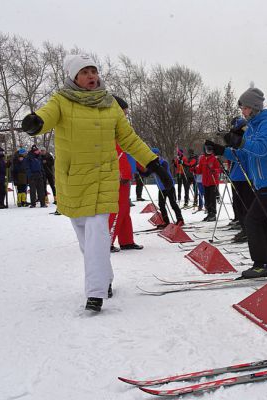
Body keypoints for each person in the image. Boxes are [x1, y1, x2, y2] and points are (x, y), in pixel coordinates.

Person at [20, 54, 172, 312]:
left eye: (94, 71)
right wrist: (37, 122)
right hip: (74, 178)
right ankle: (105, 277)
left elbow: (129, 138)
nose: (92, 76)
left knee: (97, 231)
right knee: (86, 237)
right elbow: (47, 116)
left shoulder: (109, 103)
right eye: (85, 72)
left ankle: (96, 292)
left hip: (104, 176)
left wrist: (154, 162)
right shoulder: (62, 100)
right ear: (74, 77)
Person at [205, 86, 267, 278]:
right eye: (242, 108)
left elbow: (261, 149)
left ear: (255, 107)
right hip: (262, 183)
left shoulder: (266, 124)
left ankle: (261, 264)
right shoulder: (251, 128)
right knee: (264, 223)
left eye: (245, 108)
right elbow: (243, 154)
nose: (242, 111)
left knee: (252, 220)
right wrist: (220, 150)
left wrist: (238, 141)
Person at [108, 96, 143, 253]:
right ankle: (106, 242)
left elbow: (130, 151)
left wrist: (140, 167)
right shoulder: (111, 128)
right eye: (124, 111)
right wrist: (121, 173)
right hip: (118, 177)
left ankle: (126, 240)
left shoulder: (121, 128)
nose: (126, 114)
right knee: (116, 210)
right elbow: (117, 153)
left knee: (125, 210)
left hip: (125, 174)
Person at [151, 147, 184, 227]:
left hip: (169, 186)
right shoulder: (152, 164)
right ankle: (166, 221)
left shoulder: (163, 162)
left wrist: (153, 168)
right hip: (161, 188)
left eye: (155, 154)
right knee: (161, 204)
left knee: (173, 203)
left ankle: (180, 219)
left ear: (158, 154)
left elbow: (162, 171)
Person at [198, 143, 220, 222]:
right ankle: (209, 213)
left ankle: (213, 214)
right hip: (205, 182)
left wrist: (214, 170)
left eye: (210, 150)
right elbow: (199, 169)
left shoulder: (214, 158)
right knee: (207, 199)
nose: (209, 151)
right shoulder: (202, 158)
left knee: (212, 198)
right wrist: (193, 169)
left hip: (213, 181)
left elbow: (219, 169)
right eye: (207, 150)